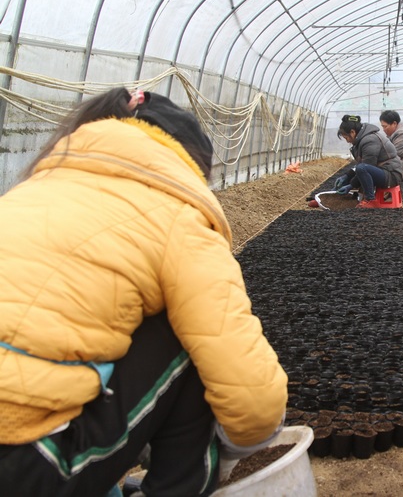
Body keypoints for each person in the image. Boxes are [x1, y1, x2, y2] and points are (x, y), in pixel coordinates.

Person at [0, 88, 288, 496]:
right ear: (187, 163)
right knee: (191, 338)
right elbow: (253, 399)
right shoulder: (178, 214)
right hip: (20, 460)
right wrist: (236, 445)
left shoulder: (28, 192)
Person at [333, 114, 403, 208]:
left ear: (353, 132)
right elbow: (362, 165)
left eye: (346, 137)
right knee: (358, 169)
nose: (347, 141)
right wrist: (347, 176)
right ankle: (334, 194)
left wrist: (351, 185)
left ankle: (370, 199)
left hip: (391, 174)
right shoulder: (362, 139)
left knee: (361, 168)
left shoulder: (370, 140)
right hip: (382, 171)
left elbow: (365, 167)